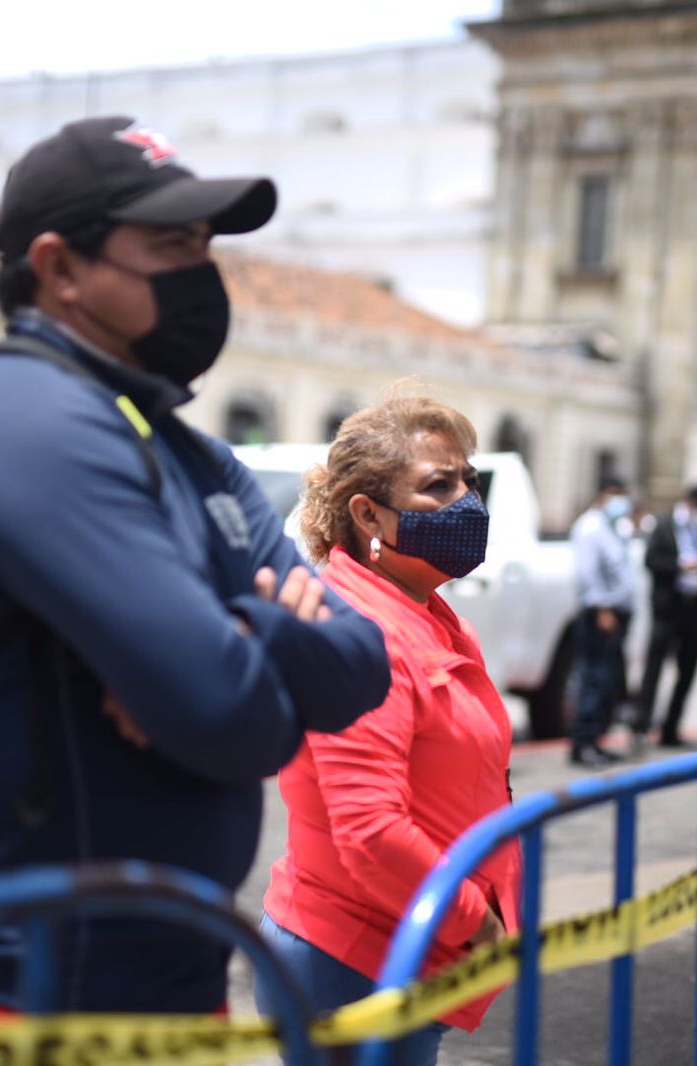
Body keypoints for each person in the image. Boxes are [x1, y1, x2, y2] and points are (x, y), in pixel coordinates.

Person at [0, 116, 392, 1019]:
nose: (202, 274)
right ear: (61, 268)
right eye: (170, 246)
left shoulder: (189, 452)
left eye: (204, 246)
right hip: (10, 991)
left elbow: (363, 666)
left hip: (166, 976)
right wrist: (264, 644)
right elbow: (228, 715)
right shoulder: (17, 414)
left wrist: (236, 640)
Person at [257, 393, 520, 1065]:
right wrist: (474, 922)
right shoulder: (362, 628)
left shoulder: (423, 608)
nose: (469, 502)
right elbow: (371, 830)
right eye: (440, 485)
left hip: (401, 951)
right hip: (356, 964)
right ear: (367, 513)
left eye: (470, 481)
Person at [633, 483, 697, 752]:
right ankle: (641, 726)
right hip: (668, 609)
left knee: (687, 670)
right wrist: (682, 566)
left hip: (695, 610)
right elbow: (652, 561)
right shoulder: (664, 526)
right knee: (654, 668)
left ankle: (670, 728)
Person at [569, 476, 637, 767]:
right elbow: (588, 573)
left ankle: (596, 740)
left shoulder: (612, 528)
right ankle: (583, 743)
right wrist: (602, 608)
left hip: (614, 612)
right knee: (594, 678)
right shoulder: (590, 527)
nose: (620, 501)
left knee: (608, 679)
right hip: (601, 613)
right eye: (614, 494)